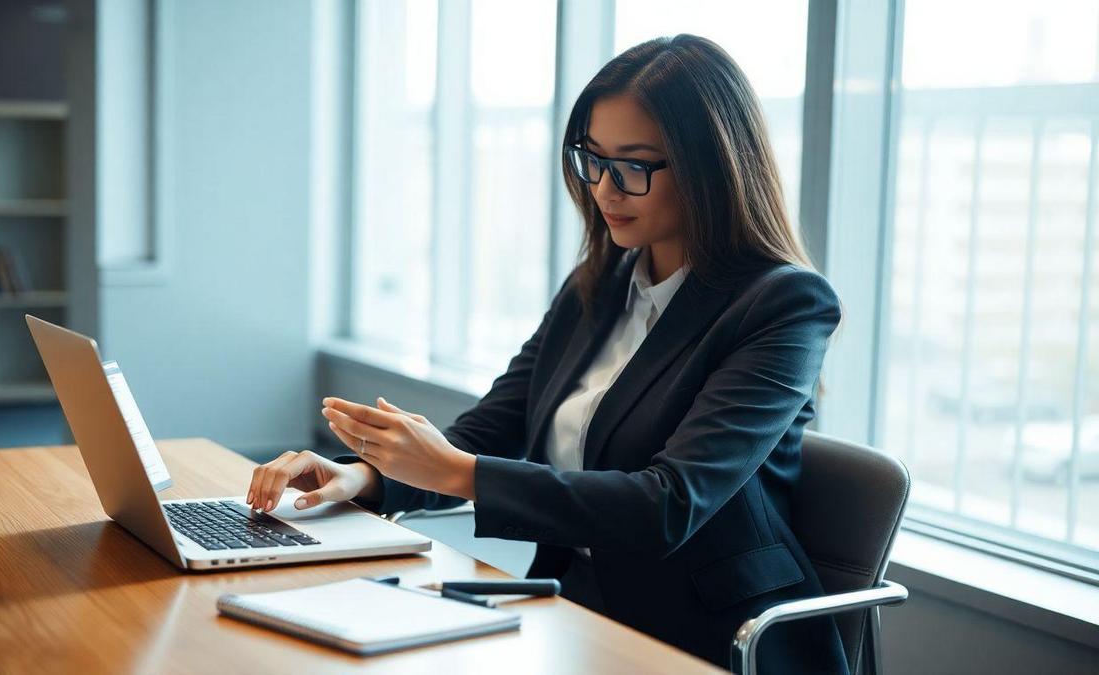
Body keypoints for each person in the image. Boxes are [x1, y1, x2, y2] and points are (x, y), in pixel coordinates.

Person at [246, 34, 847, 674]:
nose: (604, 190)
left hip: (711, 636)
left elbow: (668, 504)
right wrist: (366, 476)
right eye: (591, 159)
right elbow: (498, 425)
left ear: (709, 168)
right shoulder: (603, 280)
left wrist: (456, 473)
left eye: (634, 166)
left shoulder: (783, 306)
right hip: (578, 609)